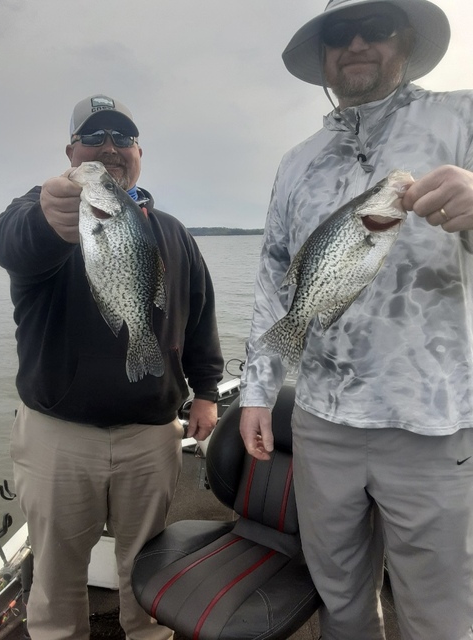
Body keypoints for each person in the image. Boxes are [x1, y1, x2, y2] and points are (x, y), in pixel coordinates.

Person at [239, 1, 473, 639]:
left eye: (377, 28)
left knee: (441, 612)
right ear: (323, 55)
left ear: (406, 40)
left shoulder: (461, 116)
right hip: (322, 421)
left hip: (430, 421)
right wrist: (258, 391)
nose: (359, 43)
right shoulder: (297, 160)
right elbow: (272, 279)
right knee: (339, 596)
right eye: (340, 33)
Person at [0, 94, 224, 640]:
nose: (109, 148)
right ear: (71, 152)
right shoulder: (44, 211)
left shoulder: (170, 229)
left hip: (151, 434)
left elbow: (200, 315)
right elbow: (12, 243)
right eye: (95, 138)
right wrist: (49, 217)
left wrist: (208, 390)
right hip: (59, 436)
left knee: (146, 569)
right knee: (55, 579)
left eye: (122, 138)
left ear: (139, 152)